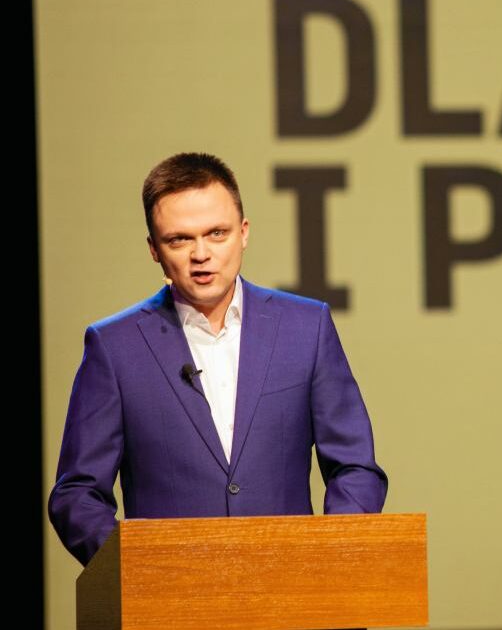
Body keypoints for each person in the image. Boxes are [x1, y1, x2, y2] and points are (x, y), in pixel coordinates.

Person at [48, 152, 388, 567]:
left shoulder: (306, 328)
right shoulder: (115, 347)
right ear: (154, 249)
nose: (201, 254)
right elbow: (77, 495)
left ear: (243, 233)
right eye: (179, 239)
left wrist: (333, 556)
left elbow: (355, 467)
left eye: (216, 233)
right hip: (171, 594)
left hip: (293, 585)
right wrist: (138, 568)